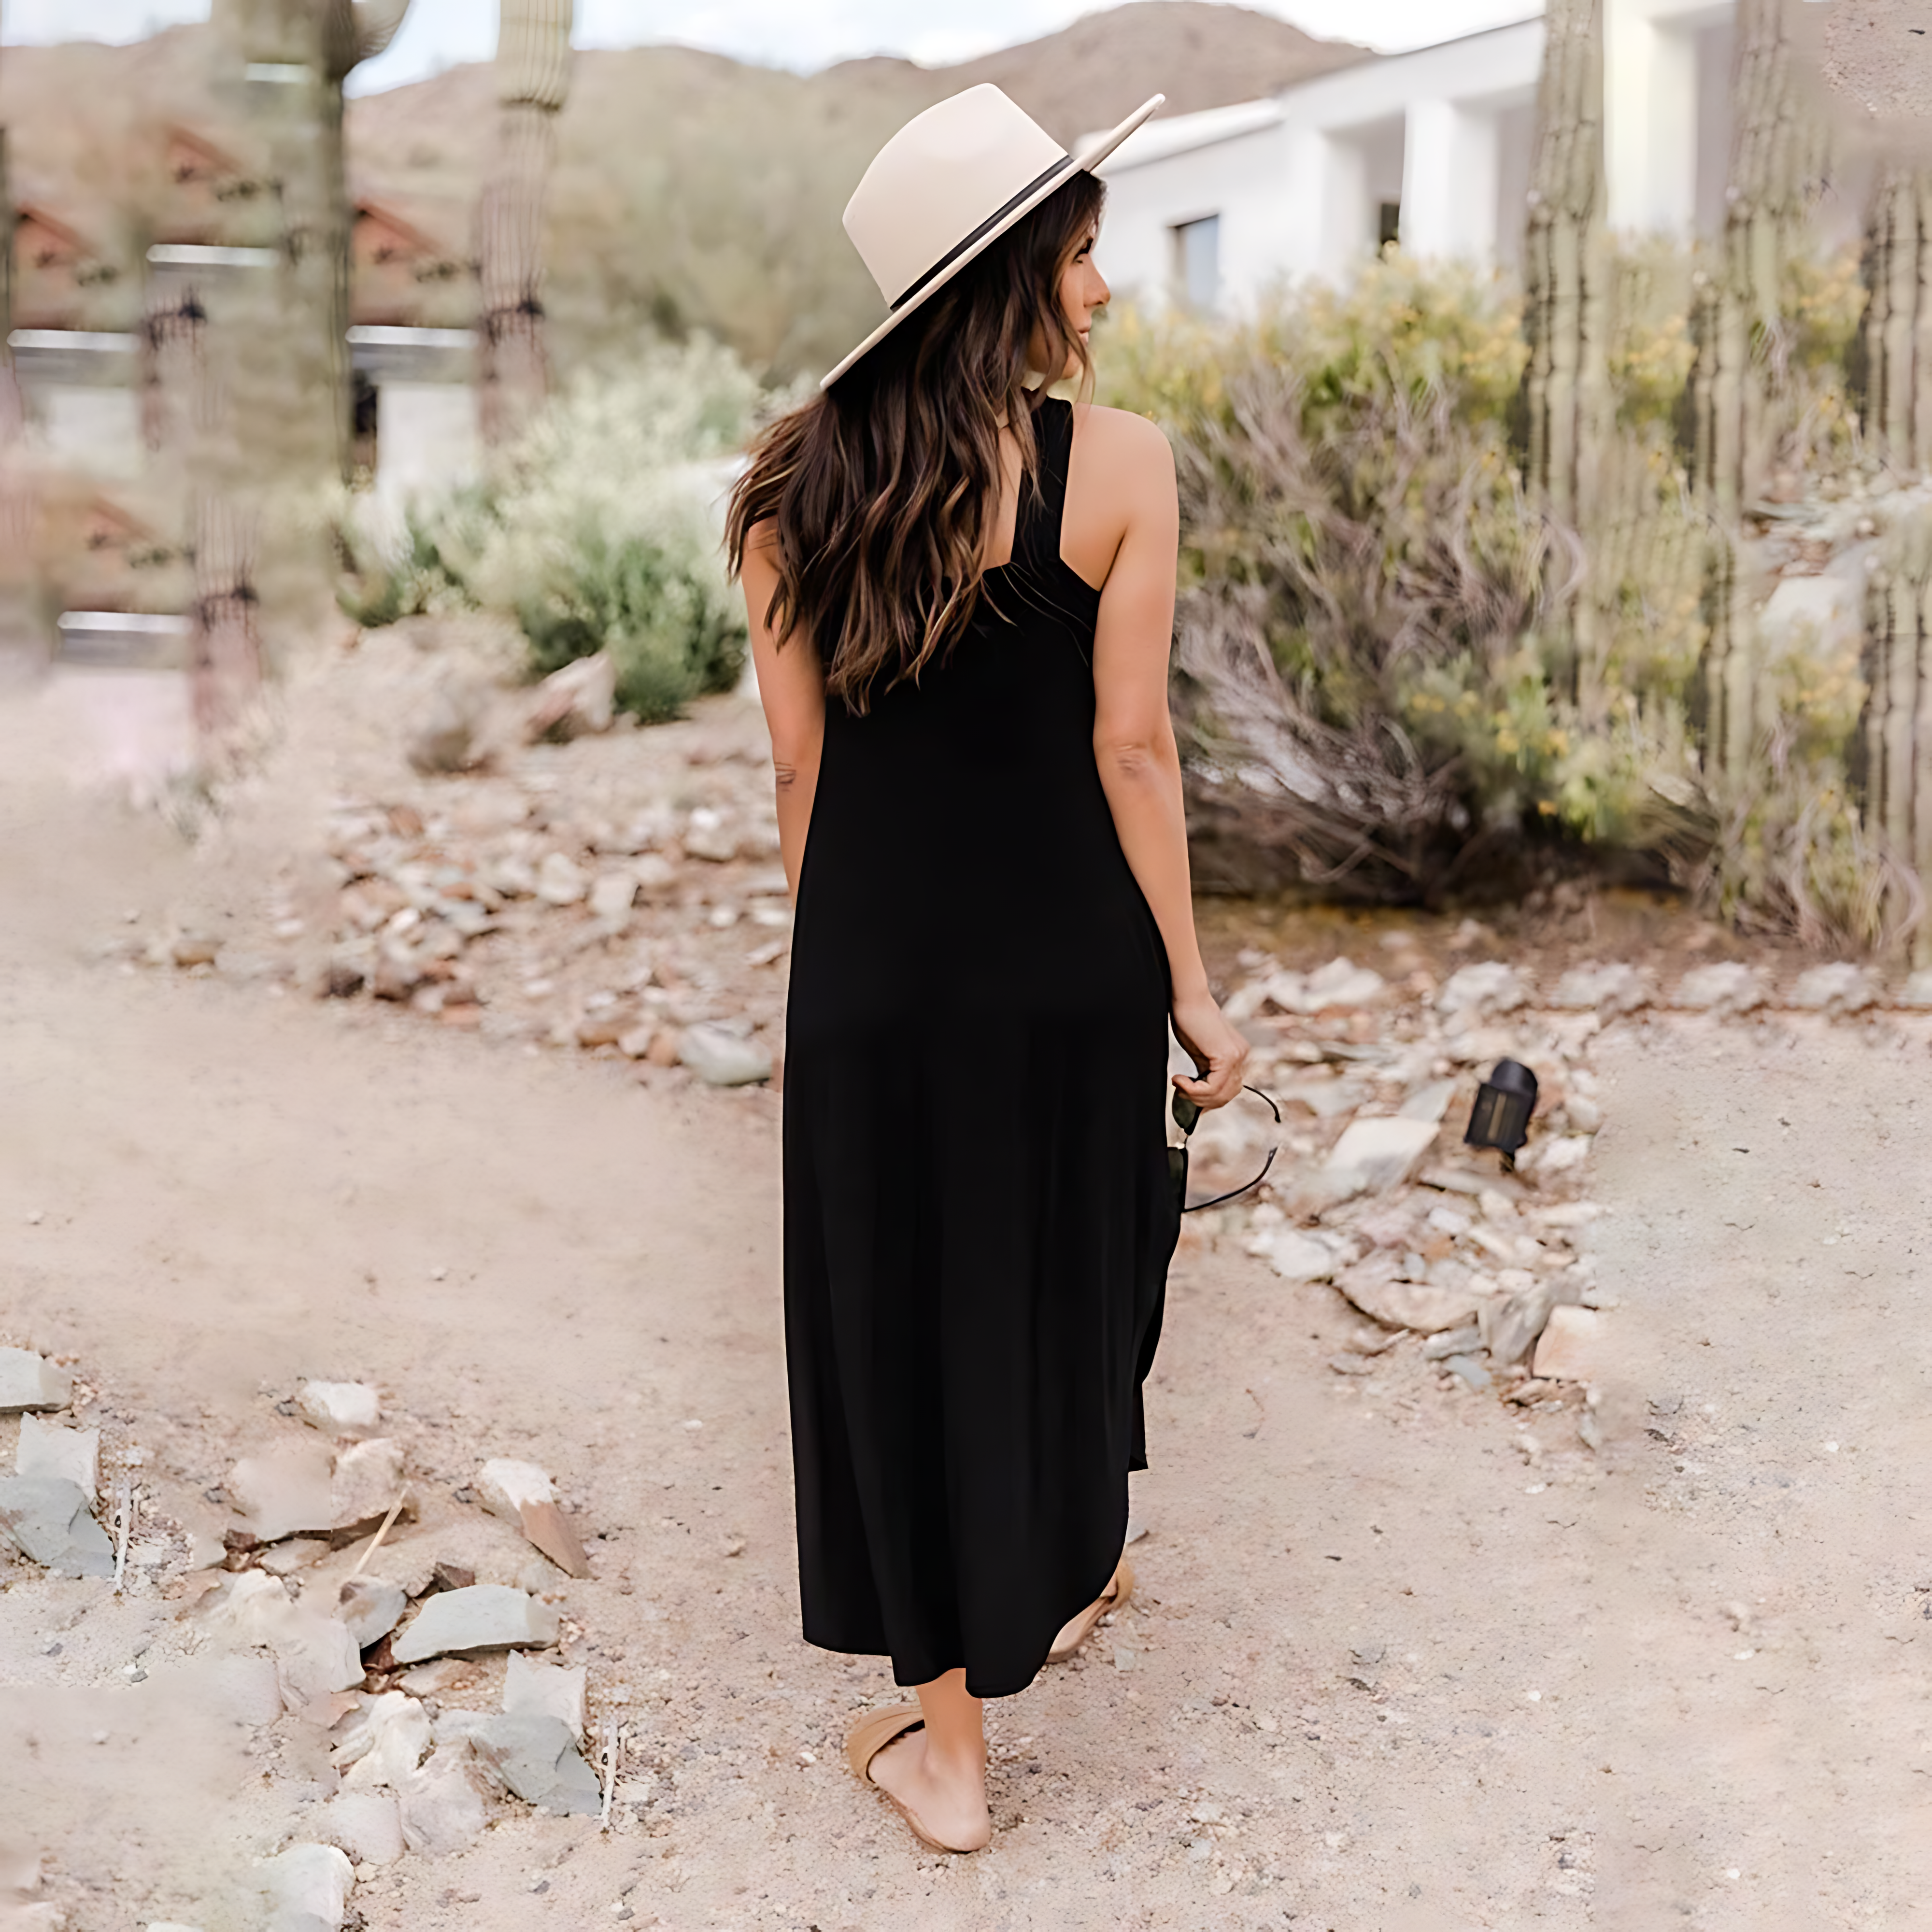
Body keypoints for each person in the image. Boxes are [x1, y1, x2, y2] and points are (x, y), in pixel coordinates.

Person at [725, 82, 1249, 1856]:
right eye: (1085, 252)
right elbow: (1134, 754)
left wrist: (857, 971)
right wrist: (1188, 982)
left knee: (893, 1318)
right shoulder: (1120, 468)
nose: (1101, 287)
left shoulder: (788, 489)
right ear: (1014, 276)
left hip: (875, 980)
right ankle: (1053, 1562)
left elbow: (802, 776)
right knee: (1069, 1272)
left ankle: (946, 1743)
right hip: (1068, 973)